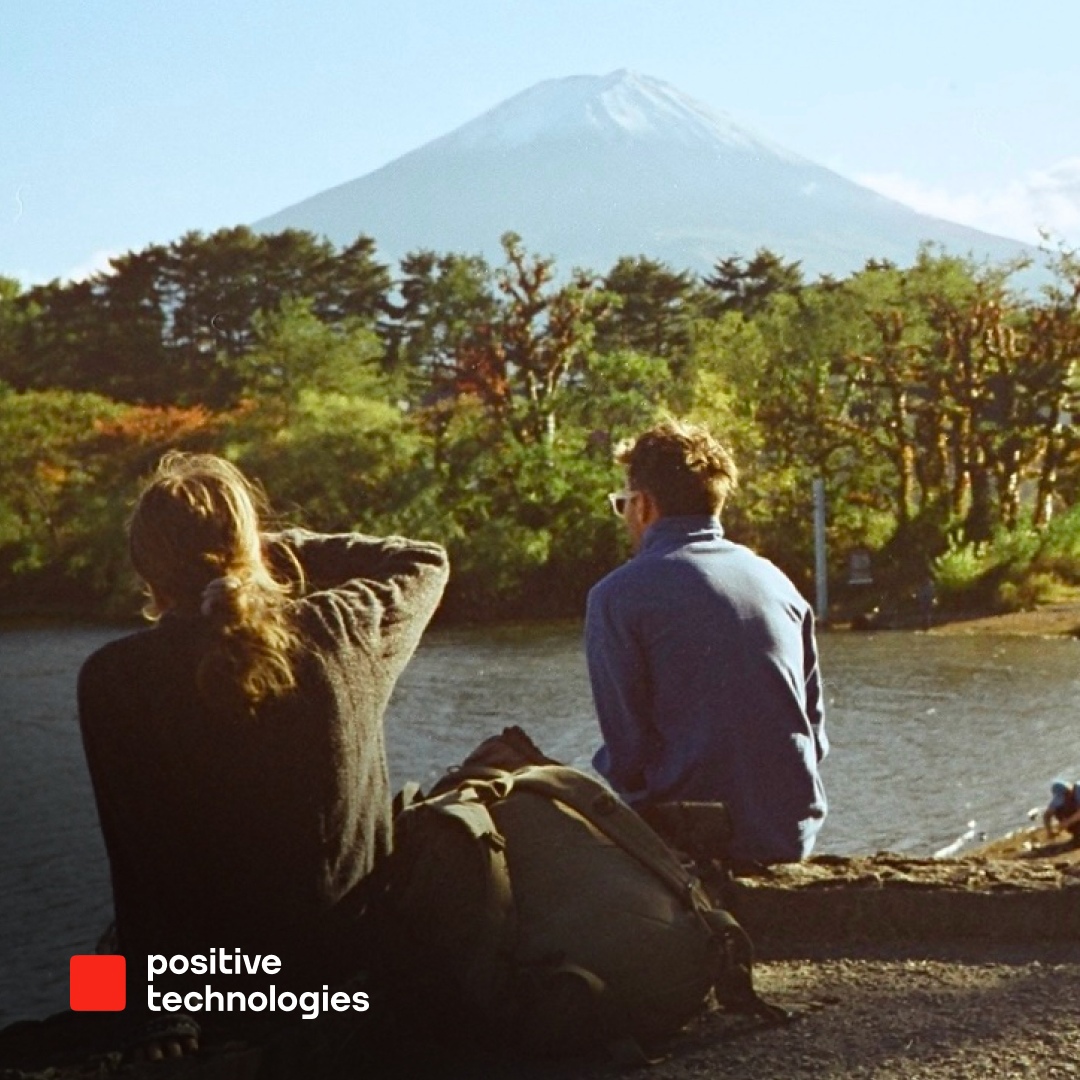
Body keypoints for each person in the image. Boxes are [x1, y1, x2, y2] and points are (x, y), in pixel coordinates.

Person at [76, 452, 449, 1060]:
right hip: (351, 976)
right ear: (251, 548)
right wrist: (263, 550)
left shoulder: (113, 678)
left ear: (147, 571)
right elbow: (423, 560)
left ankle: (129, 1041)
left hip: (227, 989)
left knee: (95, 966)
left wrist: (158, 1015)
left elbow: (138, 864)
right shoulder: (340, 628)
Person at [585, 419, 828, 865]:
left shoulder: (616, 596)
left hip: (698, 843)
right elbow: (815, 735)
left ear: (643, 506)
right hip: (790, 834)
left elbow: (627, 756)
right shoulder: (777, 582)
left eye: (622, 505)